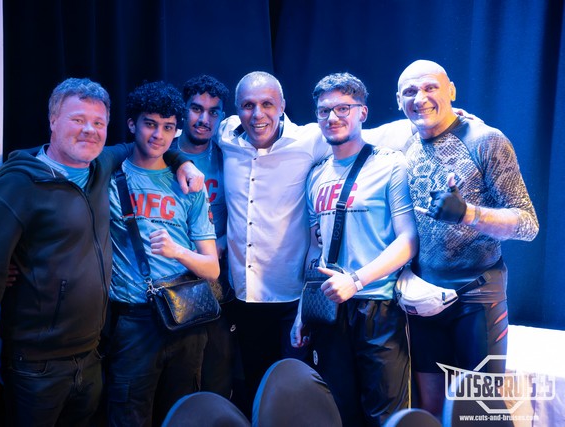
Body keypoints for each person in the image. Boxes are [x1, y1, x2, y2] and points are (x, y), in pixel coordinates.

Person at [0, 77, 203, 426]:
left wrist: (182, 161)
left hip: (92, 356)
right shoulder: (19, 183)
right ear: (53, 120)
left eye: (98, 123)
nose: (90, 130)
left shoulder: (102, 166)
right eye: (78, 119)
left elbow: (147, 146)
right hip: (36, 365)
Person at [394, 60, 539, 417]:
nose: (420, 98)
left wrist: (468, 213)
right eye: (410, 91)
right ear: (398, 101)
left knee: (480, 409)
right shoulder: (404, 144)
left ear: (451, 91)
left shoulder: (486, 140)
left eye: (430, 88)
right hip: (424, 297)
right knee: (429, 408)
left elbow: (527, 223)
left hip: (478, 294)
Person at [291, 72, 418, 426]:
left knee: (386, 416)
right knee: (337, 412)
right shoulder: (316, 175)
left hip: (378, 305)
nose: (332, 117)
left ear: (362, 112)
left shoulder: (390, 164)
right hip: (329, 308)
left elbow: (408, 240)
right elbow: (315, 248)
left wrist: (357, 280)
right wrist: (303, 311)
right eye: (324, 111)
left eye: (343, 108)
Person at [104, 80, 219, 427]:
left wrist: (177, 251)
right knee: (128, 415)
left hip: (186, 315)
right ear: (132, 124)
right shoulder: (109, 178)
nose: (159, 135)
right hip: (134, 320)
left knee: (183, 415)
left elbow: (212, 269)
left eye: (169, 127)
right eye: (150, 124)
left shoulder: (189, 184)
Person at [217, 71, 330, 414]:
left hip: (291, 296)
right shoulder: (227, 134)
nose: (257, 114)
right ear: (236, 109)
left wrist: (445, 120)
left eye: (267, 104)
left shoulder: (309, 140)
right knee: (255, 387)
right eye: (248, 105)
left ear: (282, 106)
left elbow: (364, 135)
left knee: (295, 391)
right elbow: (177, 138)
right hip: (244, 293)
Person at [170, 74, 238, 399]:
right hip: (171, 277)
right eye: (197, 109)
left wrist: (221, 245)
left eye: (213, 111)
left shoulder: (229, 156)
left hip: (216, 279)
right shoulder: (163, 151)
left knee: (217, 374)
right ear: (183, 110)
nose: (204, 119)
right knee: (176, 379)